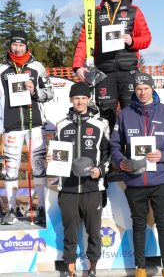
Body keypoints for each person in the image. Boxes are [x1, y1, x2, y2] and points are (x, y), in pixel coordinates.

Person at [110, 73, 164, 277]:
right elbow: (115, 144)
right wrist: (120, 162)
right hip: (134, 180)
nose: (142, 92)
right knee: (138, 224)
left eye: (146, 88)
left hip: (160, 179)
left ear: (153, 89)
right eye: (139, 88)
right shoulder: (124, 114)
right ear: (134, 90)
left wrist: (163, 154)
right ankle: (140, 268)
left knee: (163, 223)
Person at [0, 29, 54, 225]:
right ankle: (11, 208)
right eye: (15, 44)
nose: (18, 48)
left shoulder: (37, 67)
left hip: (35, 124)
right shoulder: (1, 69)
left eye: (21, 45)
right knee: (10, 169)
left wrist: (35, 90)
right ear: (10, 45)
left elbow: (50, 92)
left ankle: (41, 207)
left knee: (38, 167)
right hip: (11, 126)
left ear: (27, 46)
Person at [73, 0, 152, 131]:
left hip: (128, 70)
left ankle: (131, 152)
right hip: (104, 72)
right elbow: (84, 41)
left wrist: (132, 41)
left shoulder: (133, 10)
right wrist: (77, 66)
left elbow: (147, 38)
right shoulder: (95, 12)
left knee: (132, 113)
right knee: (106, 115)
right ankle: (108, 154)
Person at [48, 82, 110, 277]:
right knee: (70, 232)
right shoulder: (61, 125)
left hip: (92, 188)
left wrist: (100, 170)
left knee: (94, 232)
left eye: (84, 98)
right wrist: (50, 158)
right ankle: (70, 268)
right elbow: (55, 153)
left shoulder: (101, 124)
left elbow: (108, 153)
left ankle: (92, 268)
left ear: (89, 99)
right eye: (76, 98)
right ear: (71, 100)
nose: (80, 101)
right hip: (68, 188)